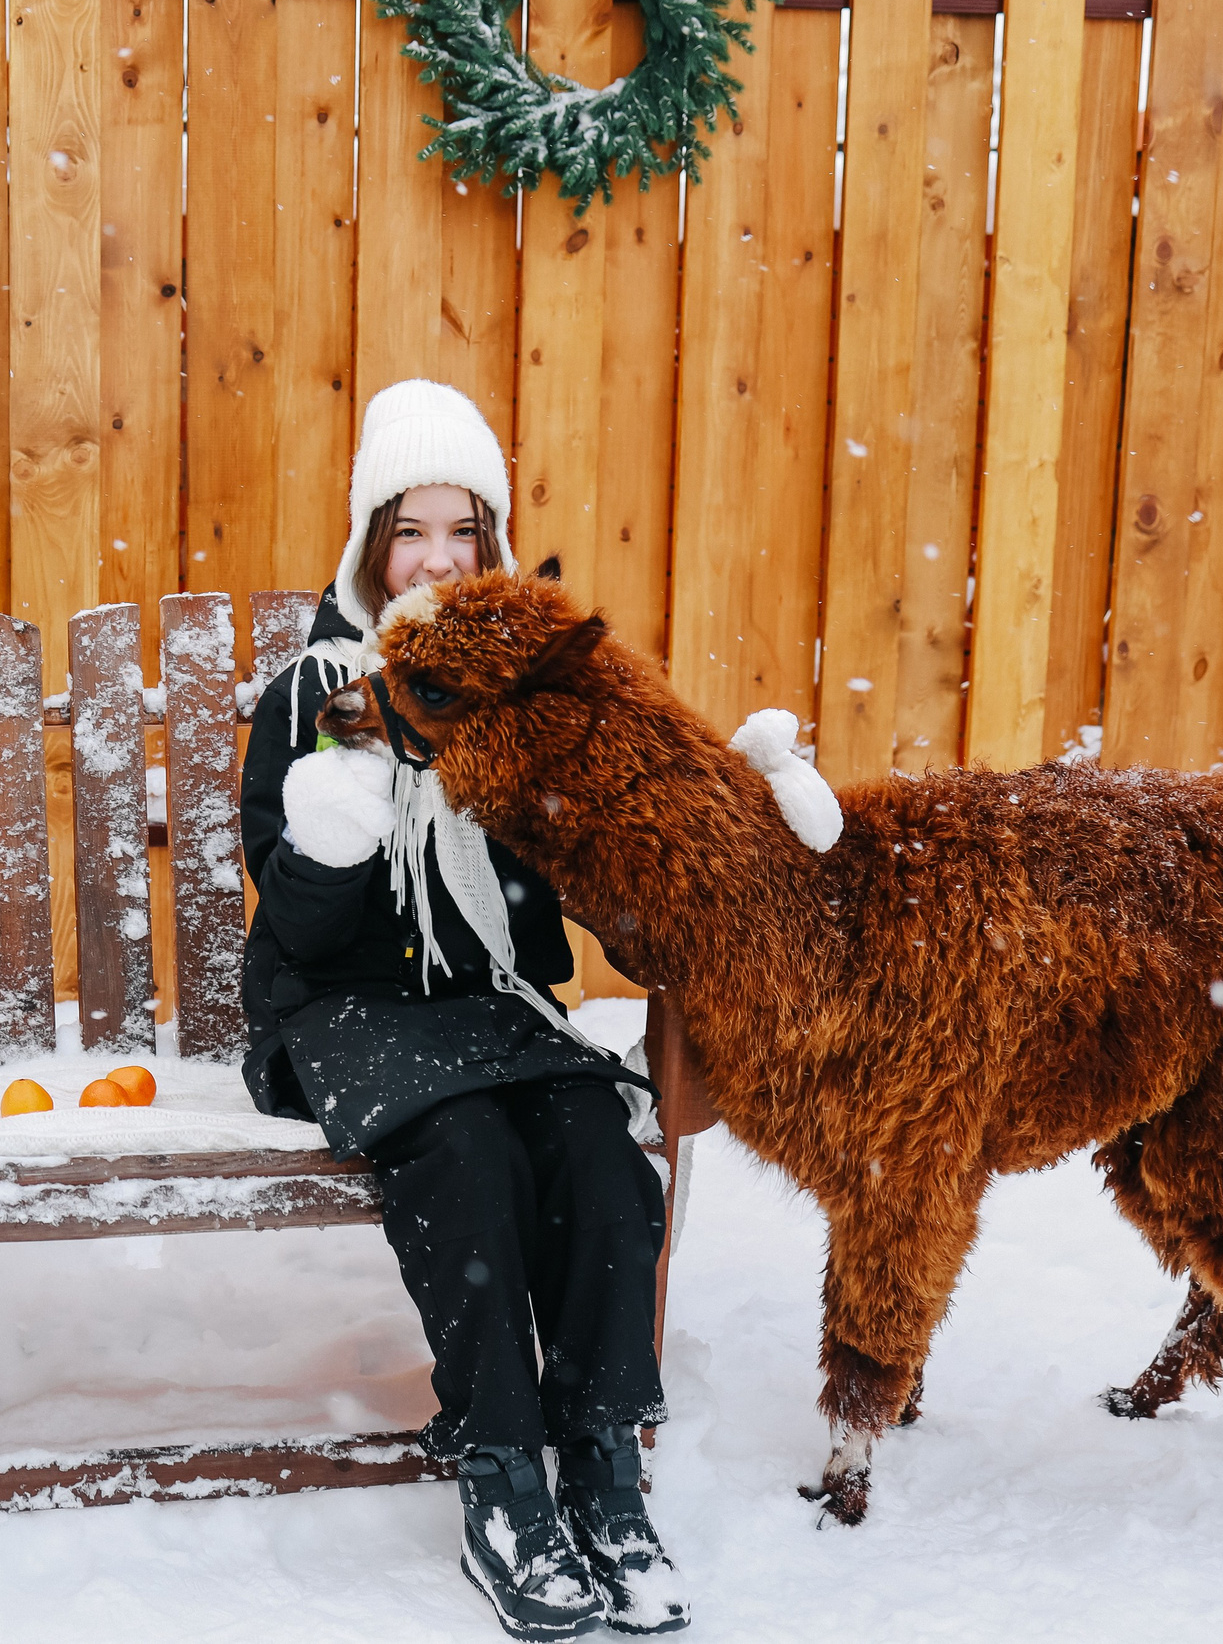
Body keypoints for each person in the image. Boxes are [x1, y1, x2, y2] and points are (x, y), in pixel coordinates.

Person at [239, 379, 690, 1639]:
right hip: (340, 1009)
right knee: (468, 1156)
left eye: (462, 532)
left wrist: (644, 863)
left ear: (490, 542)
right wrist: (330, 840)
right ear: (371, 544)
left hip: (488, 1006)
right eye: (410, 531)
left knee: (603, 1158)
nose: (435, 559)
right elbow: (298, 933)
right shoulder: (314, 690)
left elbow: (567, 901)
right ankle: (502, 1479)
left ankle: (604, 1463)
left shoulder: (523, 691)